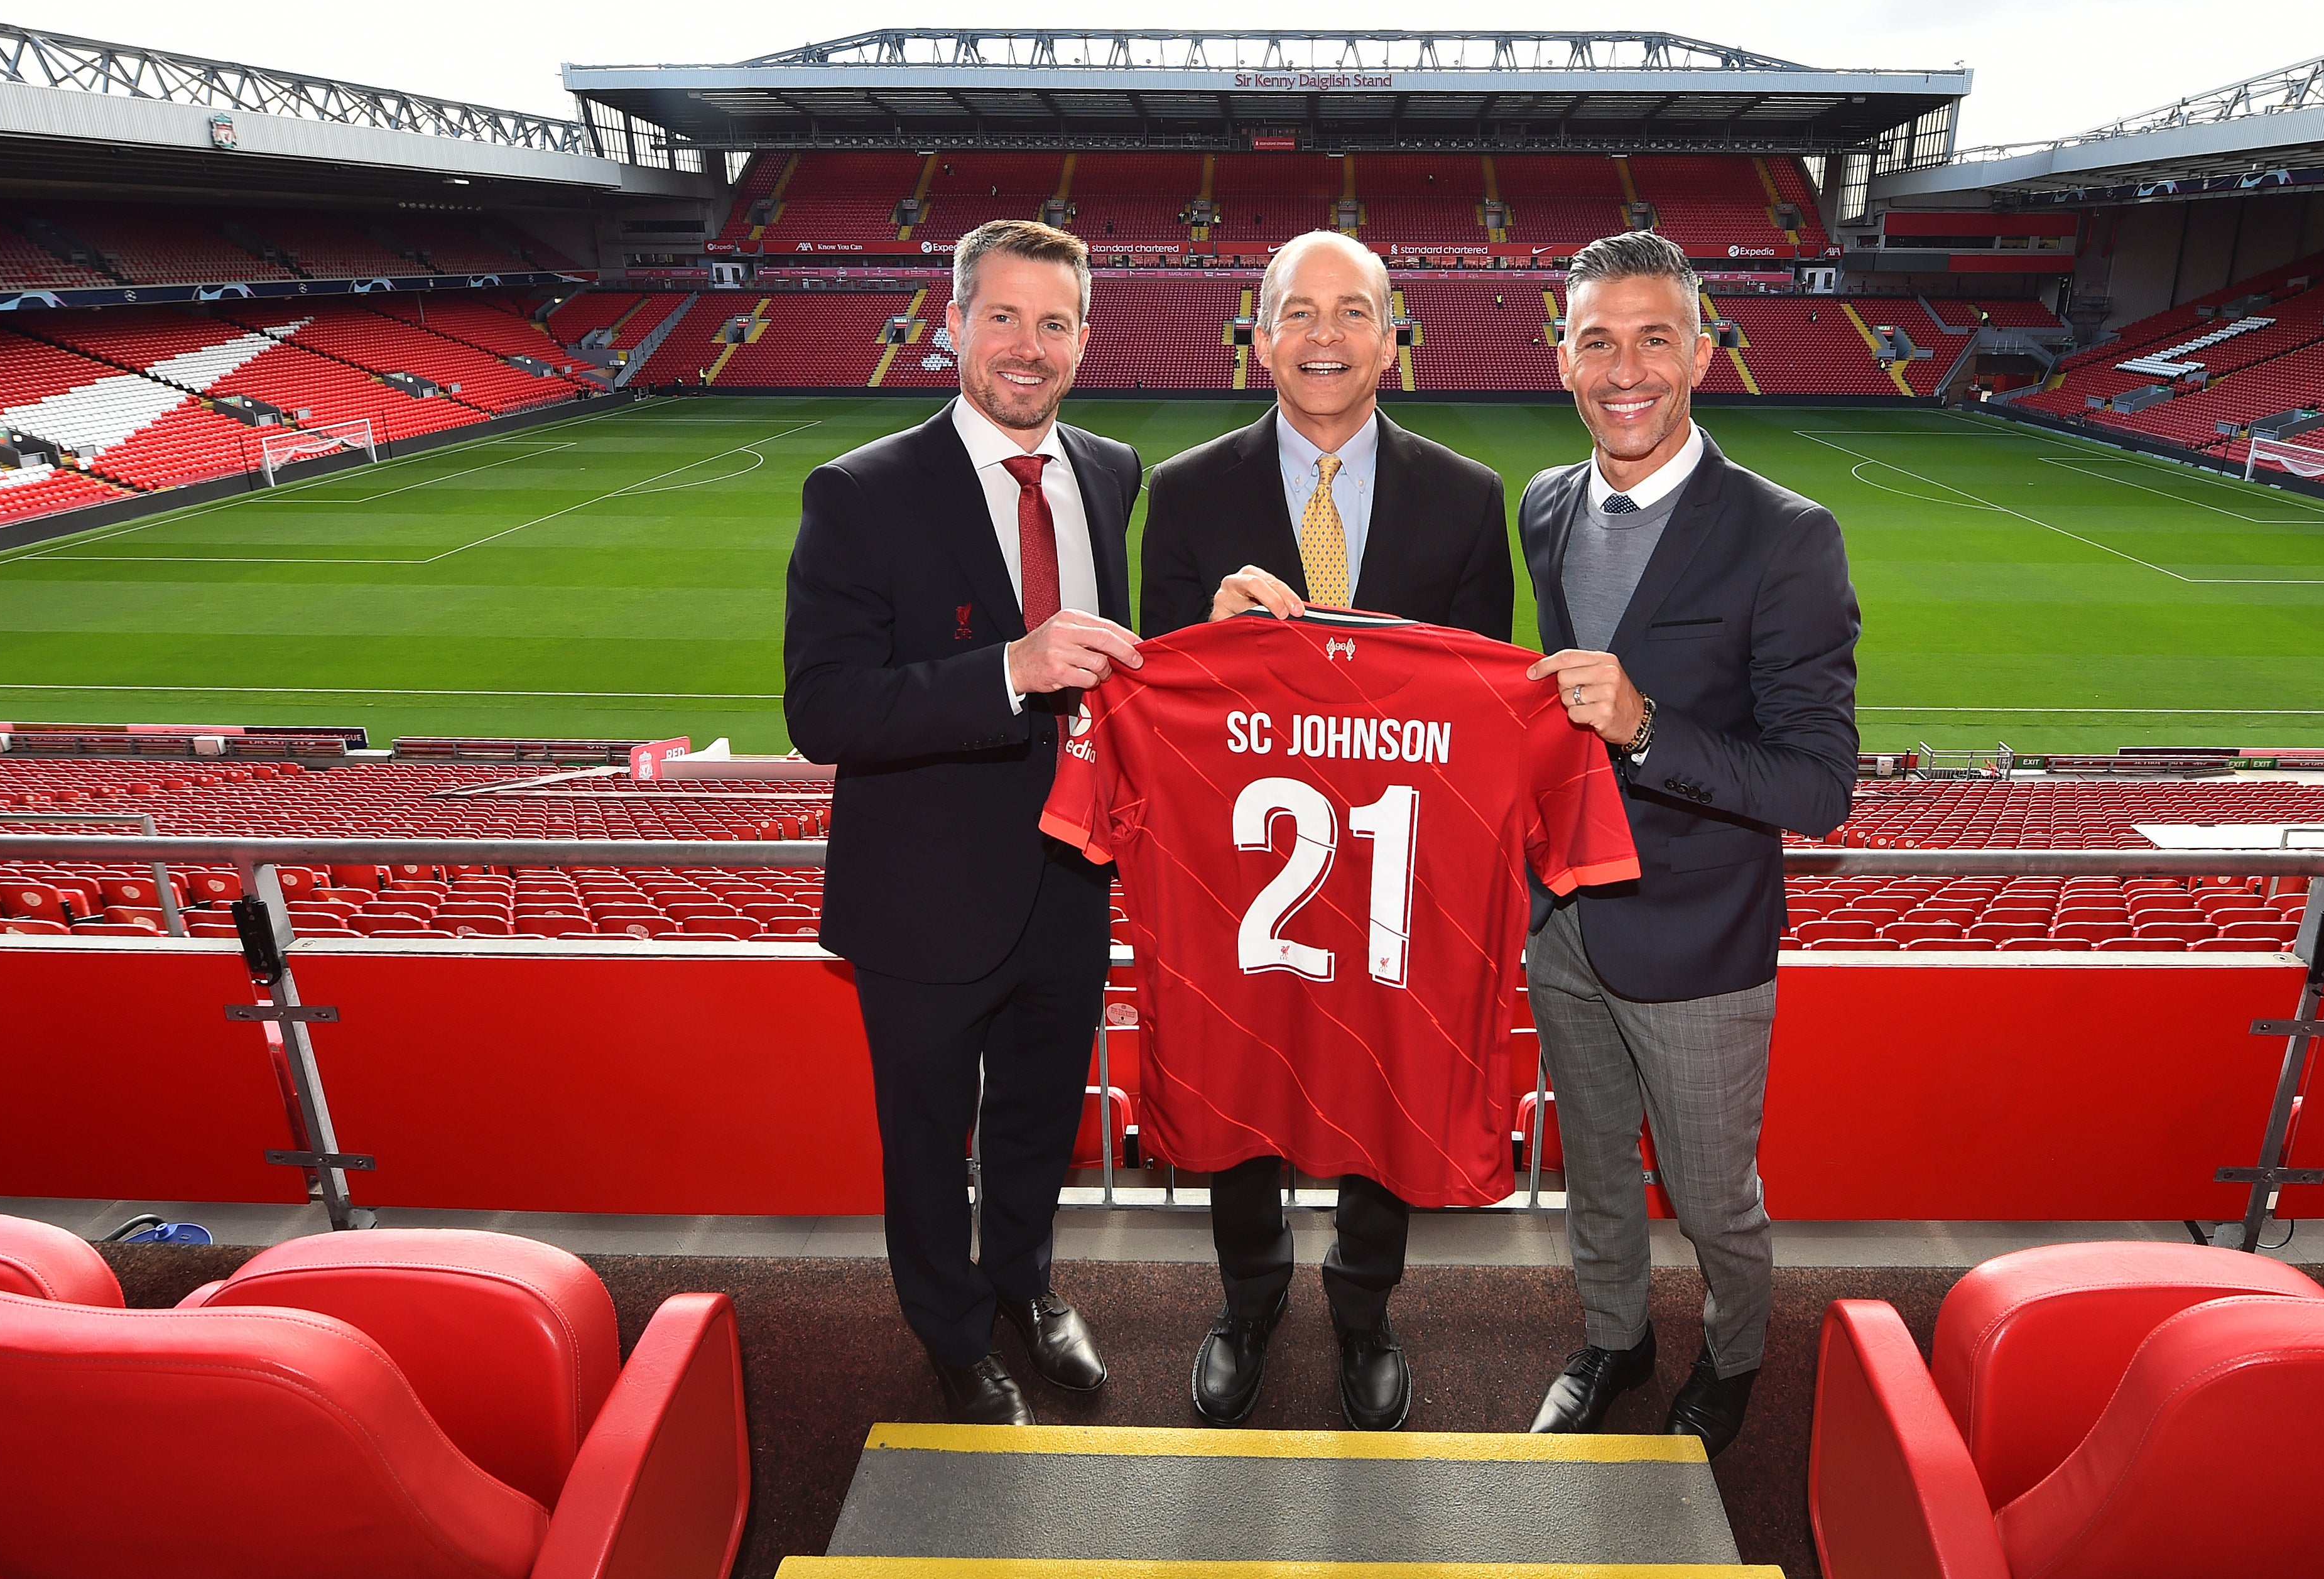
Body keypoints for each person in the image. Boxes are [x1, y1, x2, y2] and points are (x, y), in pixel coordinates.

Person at [1138, 228, 1514, 1431]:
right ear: (1258, 339)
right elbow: (1151, 686)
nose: (1324, 336)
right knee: (1246, 1058)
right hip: (1248, 858)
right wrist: (1206, 624)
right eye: (1297, 312)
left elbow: (1487, 705)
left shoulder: (1465, 498)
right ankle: (1248, 1297)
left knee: (1384, 1074)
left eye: (1353, 311)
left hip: (1399, 856)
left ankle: (1364, 1306)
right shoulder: (1187, 490)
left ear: (1392, 340)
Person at [783, 218, 1145, 1426]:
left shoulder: (1110, 470)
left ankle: (1027, 1290)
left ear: (1085, 340)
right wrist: (1008, 669)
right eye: (1001, 316)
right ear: (949, 328)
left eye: (1053, 322)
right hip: (925, 892)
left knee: (1041, 1113)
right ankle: (948, 1328)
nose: (1026, 347)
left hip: (1070, 873)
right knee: (932, 1136)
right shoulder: (860, 490)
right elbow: (822, 708)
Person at [1516, 230, 1860, 1457]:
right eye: (1596, 339)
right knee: (1594, 1169)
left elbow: (1821, 786)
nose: (1625, 368)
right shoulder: (1545, 503)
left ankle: (1733, 1354)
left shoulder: (1787, 536)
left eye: (1653, 338)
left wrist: (1649, 727)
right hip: (1563, 921)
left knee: (1714, 1200)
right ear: (1561, 358)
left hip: (1706, 941)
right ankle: (1615, 1336)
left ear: (1701, 353)